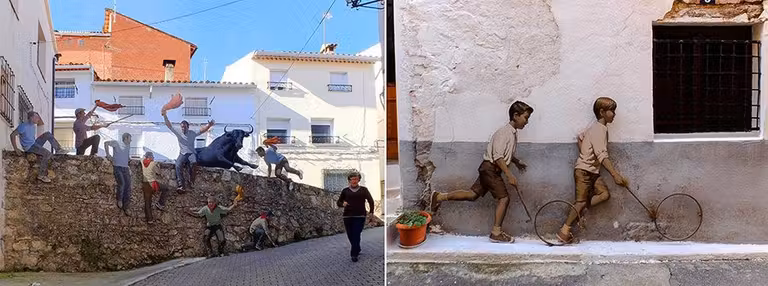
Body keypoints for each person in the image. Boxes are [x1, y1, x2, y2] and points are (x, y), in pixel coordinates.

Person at [429, 101, 534, 243]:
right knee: (504, 198)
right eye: (525, 117)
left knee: (472, 195)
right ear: (516, 116)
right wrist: (509, 175)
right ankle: (496, 232)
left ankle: (439, 197)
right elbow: (497, 156)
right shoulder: (504, 132)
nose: (527, 122)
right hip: (490, 169)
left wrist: (516, 162)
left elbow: (504, 152)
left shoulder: (512, 133)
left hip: (488, 169)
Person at [557, 97, 629, 244]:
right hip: (583, 171)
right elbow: (602, 155)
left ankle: (579, 209)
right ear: (602, 112)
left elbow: (583, 142)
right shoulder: (598, 130)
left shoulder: (599, 129)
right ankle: (564, 231)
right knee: (580, 202)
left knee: (604, 194)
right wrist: (615, 175)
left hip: (593, 172)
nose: (614, 114)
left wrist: (582, 145)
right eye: (612, 111)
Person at [162, 108, 214, 192]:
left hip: (191, 153)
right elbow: (169, 125)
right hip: (182, 153)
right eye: (182, 127)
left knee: (194, 163)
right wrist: (165, 116)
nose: (183, 129)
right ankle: (181, 185)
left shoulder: (192, 133)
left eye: (185, 127)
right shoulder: (178, 132)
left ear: (188, 127)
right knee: (178, 165)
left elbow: (202, 130)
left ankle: (191, 183)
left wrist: (209, 125)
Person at [10, 111, 66, 183]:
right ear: (31, 118)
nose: (38, 119)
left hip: (34, 143)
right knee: (47, 154)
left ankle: (58, 149)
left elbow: (40, 125)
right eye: (36, 117)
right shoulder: (23, 126)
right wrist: (16, 149)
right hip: (29, 147)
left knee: (47, 134)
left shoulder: (33, 125)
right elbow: (12, 135)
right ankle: (41, 175)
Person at [336, 171, 374, 262]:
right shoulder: (345, 191)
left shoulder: (364, 190)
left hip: (360, 215)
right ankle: (357, 247)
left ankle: (354, 254)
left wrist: (371, 212)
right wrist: (343, 204)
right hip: (347, 216)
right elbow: (338, 202)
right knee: (350, 235)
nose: (354, 181)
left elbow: (370, 200)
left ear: (359, 180)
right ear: (349, 180)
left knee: (356, 234)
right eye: (352, 179)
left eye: (356, 179)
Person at [105, 133, 133, 216]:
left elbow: (126, 156)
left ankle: (126, 206)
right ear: (125, 138)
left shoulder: (128, 146)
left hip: (125, 168)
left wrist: (128, 160)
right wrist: (108, 155)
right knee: (122, 183)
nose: (130, 140)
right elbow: (106, 143)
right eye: (129, 138)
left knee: (128, 186)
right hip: (117, 167)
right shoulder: (116, 143)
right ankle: (119, 199)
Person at [141, 152, 168, 223]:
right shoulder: (153, 163)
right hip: (152, 184)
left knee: (147, 202)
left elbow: (142, 158)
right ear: (151, 157)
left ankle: (150, 219)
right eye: (153, 156)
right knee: (165, 188)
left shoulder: (142, 161)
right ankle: (160, 203)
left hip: (145, 184)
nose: (153, 158)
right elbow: (158, 172)